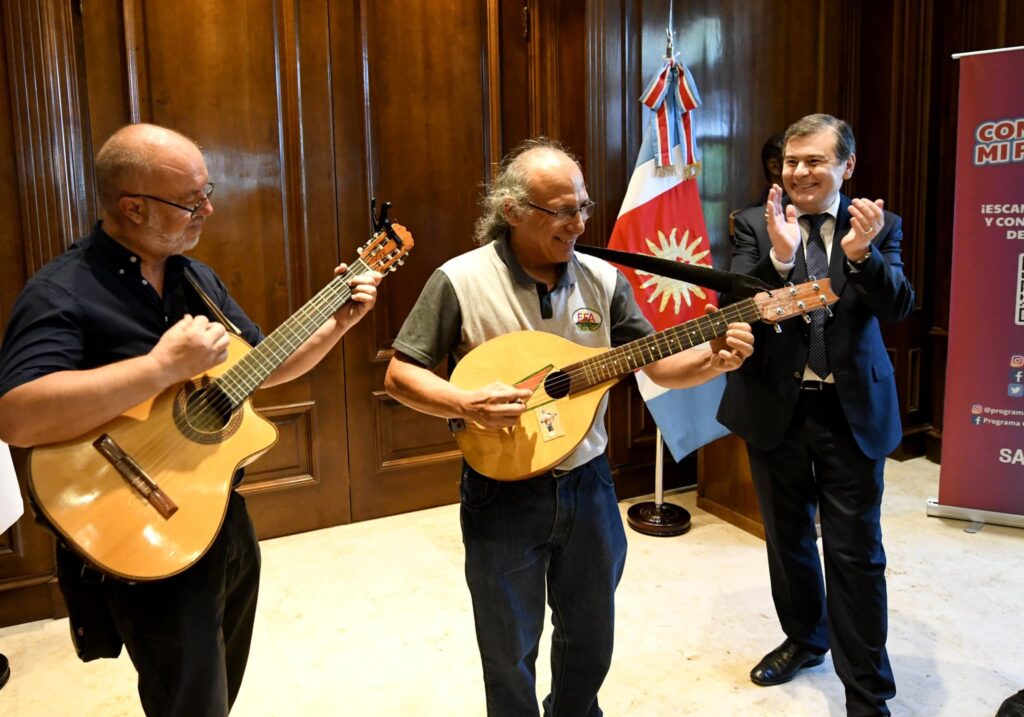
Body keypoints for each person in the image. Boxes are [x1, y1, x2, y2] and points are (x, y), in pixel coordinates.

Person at [0, 124, 381, 716]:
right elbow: (19, 416)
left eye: (207, 192)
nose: (208, 208)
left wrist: (337, 324)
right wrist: (157, 369)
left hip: (216, 512)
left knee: (218, 687)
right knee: (188, 699)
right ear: (132, 207)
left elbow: (258, 367)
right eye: (191, 200)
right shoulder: (61, 291)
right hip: (136, 528)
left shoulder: (192, 278)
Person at [384, 137, 754, 717]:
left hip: (589, 485)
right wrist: (464, 401)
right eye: (562, 211)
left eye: (584, 206)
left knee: (590, 635)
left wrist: (712, 358)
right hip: (501, 491)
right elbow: (401, 375)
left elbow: (656, 363)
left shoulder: (605, 282)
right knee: (507, 647)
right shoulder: (459, 279)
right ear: (512, 211)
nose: (579, 222)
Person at [717, 113, 915, 716]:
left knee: (857, 553)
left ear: (846, 166)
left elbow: (900, 306)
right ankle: (806, 639)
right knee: (788, 538)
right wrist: (778, 262)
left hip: (851, 411)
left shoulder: (877, 226)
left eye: (815, 160)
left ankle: (868, 694)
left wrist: (861, 258)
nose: (800, 172)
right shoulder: (754, 224)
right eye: (791, 161)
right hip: (776, 409)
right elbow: (731, 306)